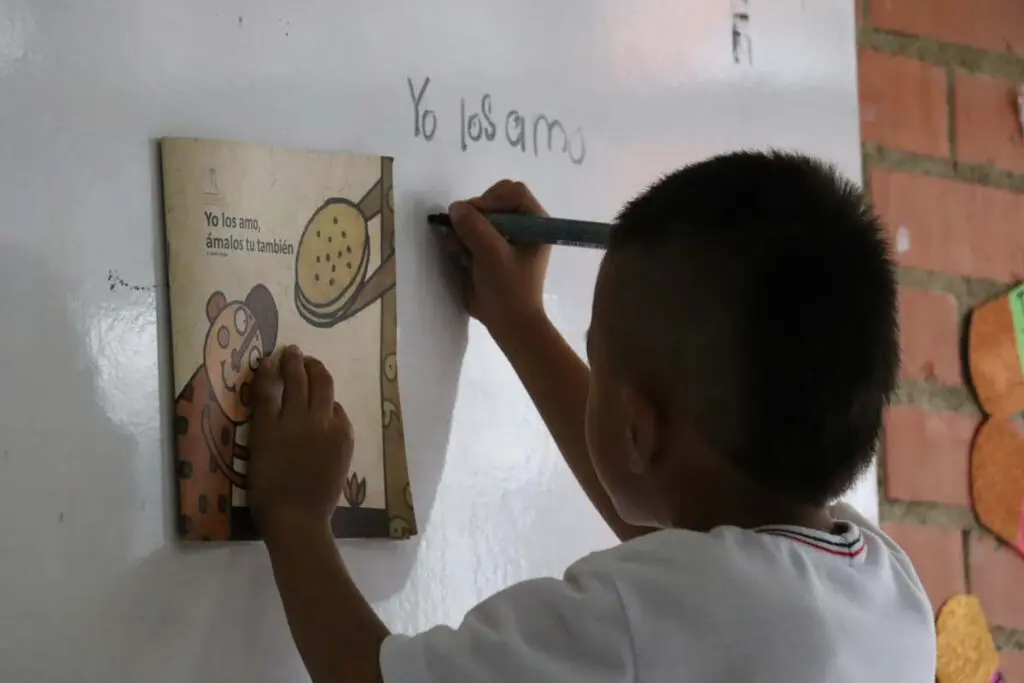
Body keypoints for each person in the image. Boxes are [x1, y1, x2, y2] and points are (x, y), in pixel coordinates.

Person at [247, 151, 937, 683]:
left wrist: (297, 516)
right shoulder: (887, 588)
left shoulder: (638, 613)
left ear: (637, 430)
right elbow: (682, 541)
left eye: (597, 363)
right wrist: (520, 322)